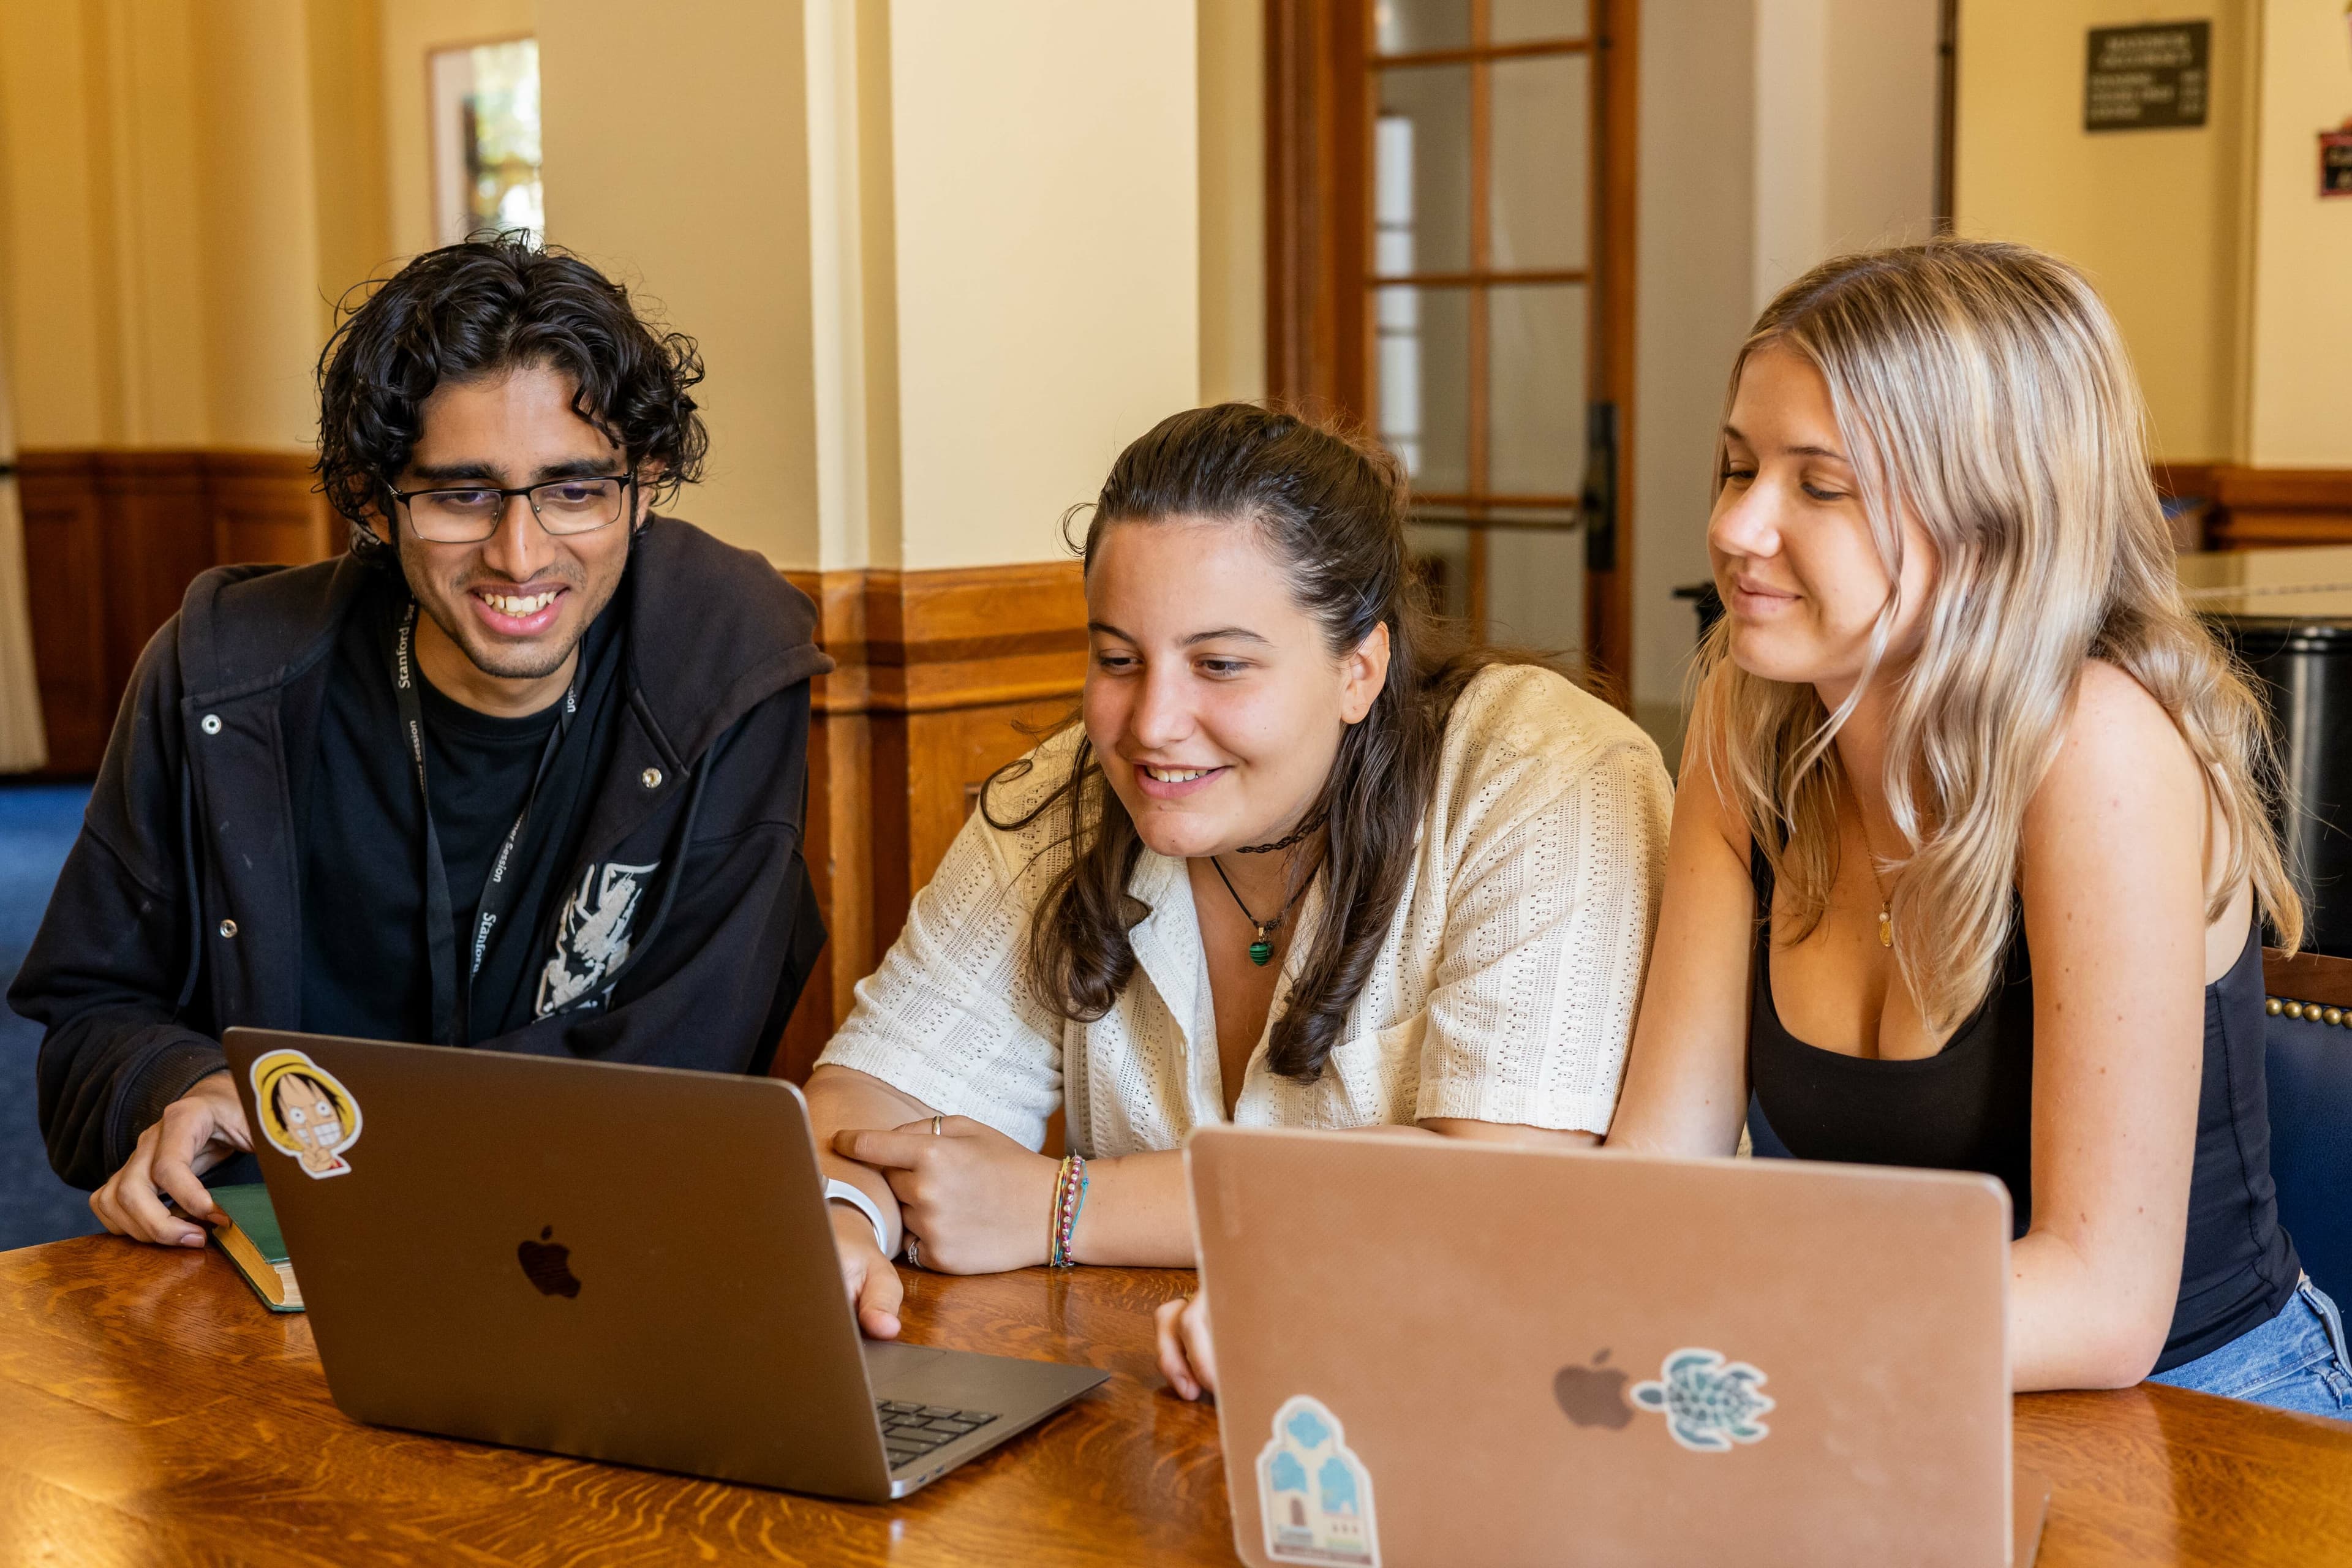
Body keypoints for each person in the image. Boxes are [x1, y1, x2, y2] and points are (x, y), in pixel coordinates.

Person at [1595, 240, 2345, 1417]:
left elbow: (2103, 1306)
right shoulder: (1746, 728)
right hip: (1884, 1381)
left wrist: (1740, 1339)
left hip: (2200, 1411)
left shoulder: (2096, 745)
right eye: (1738, 468)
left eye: (1818, 485)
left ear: (1991, 515)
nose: (1739, 527)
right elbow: (1656, 1171)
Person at [13, 238, 831, 1248]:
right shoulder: (222, 672)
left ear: (646, 483)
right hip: (283, 1275)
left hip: (588, 1251)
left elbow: (684, 1075)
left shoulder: (731, 659)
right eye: (461, 495)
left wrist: (339, 1126)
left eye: (575, 490)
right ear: (371, 498)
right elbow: (90, 1014)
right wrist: (181, 1084)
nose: (520, 554)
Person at [810, 404, 1673, 1340]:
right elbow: (874, 1094)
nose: (1151, 724)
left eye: (1220, 664)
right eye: (1117, 659)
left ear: (1362, 669)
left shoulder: (1546, 774)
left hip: (1495, 1380)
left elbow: (1502, 1190)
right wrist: (847, 1217)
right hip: (1161, 1396)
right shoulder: (1070, 791)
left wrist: (1062, 1207)